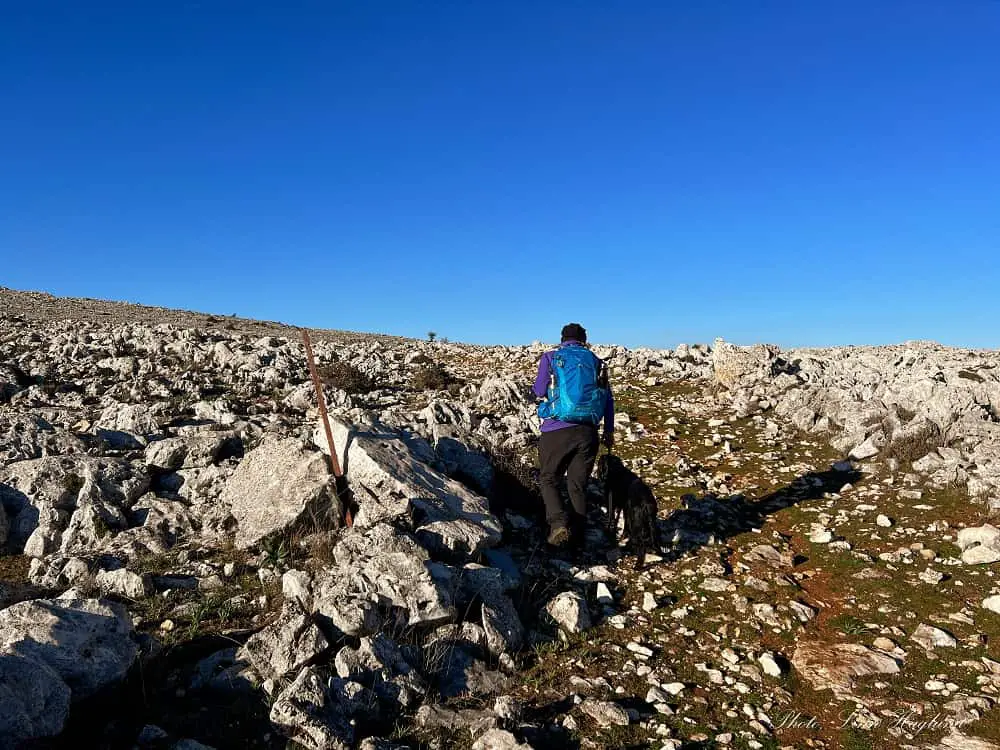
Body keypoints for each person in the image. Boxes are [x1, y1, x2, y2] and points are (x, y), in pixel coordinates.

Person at [533, 323, 615, 548]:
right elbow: (608, 400)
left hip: (557, 429)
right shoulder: (597, 362)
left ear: (562, 339)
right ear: (584, 339)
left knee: (549, 478)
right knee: (577, 485)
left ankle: (559, 523)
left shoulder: (551, 357)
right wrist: (608, 431)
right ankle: (578, 540)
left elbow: (539, 390)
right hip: (588, 433)